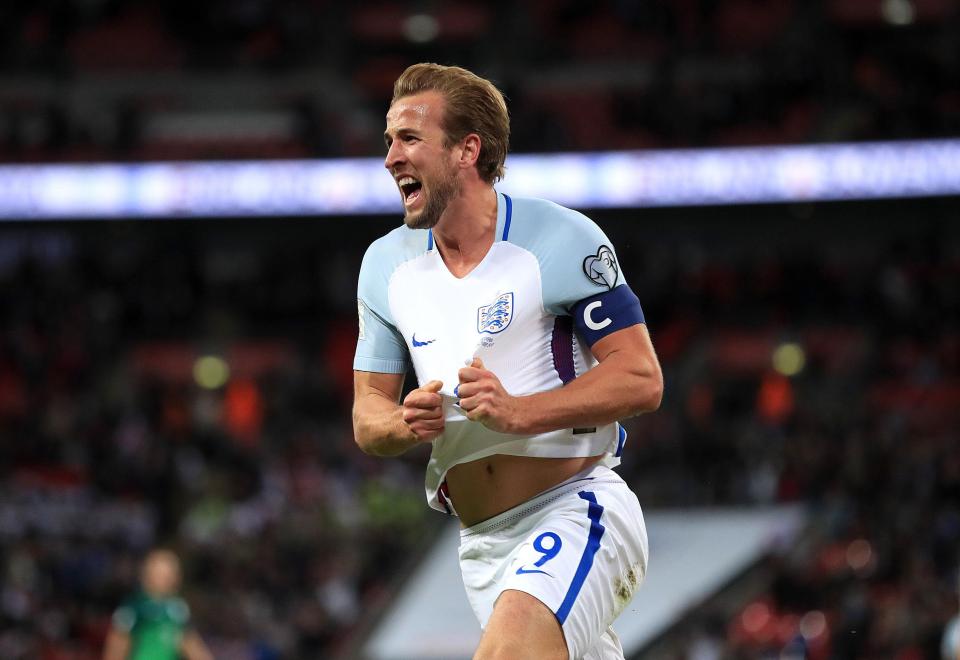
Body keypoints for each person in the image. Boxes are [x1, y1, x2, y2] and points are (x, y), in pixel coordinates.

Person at [352, 63, 663, 660]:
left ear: (468, 149)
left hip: (578, 510)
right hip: (481, 545)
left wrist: (520, 411)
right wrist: (402, 422)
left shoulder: (561, 239)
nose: (391, 157)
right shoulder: (383, 265)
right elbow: (368, 417)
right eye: (388, 140)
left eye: (409, 138)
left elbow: (641, 377)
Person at [102, 549, 212, 660]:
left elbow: (190, 643)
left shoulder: (178, 608)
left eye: (170, 573)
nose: (167, 578)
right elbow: (117, 644)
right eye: (161, 573)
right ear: (147, 574)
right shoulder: (133, 607)